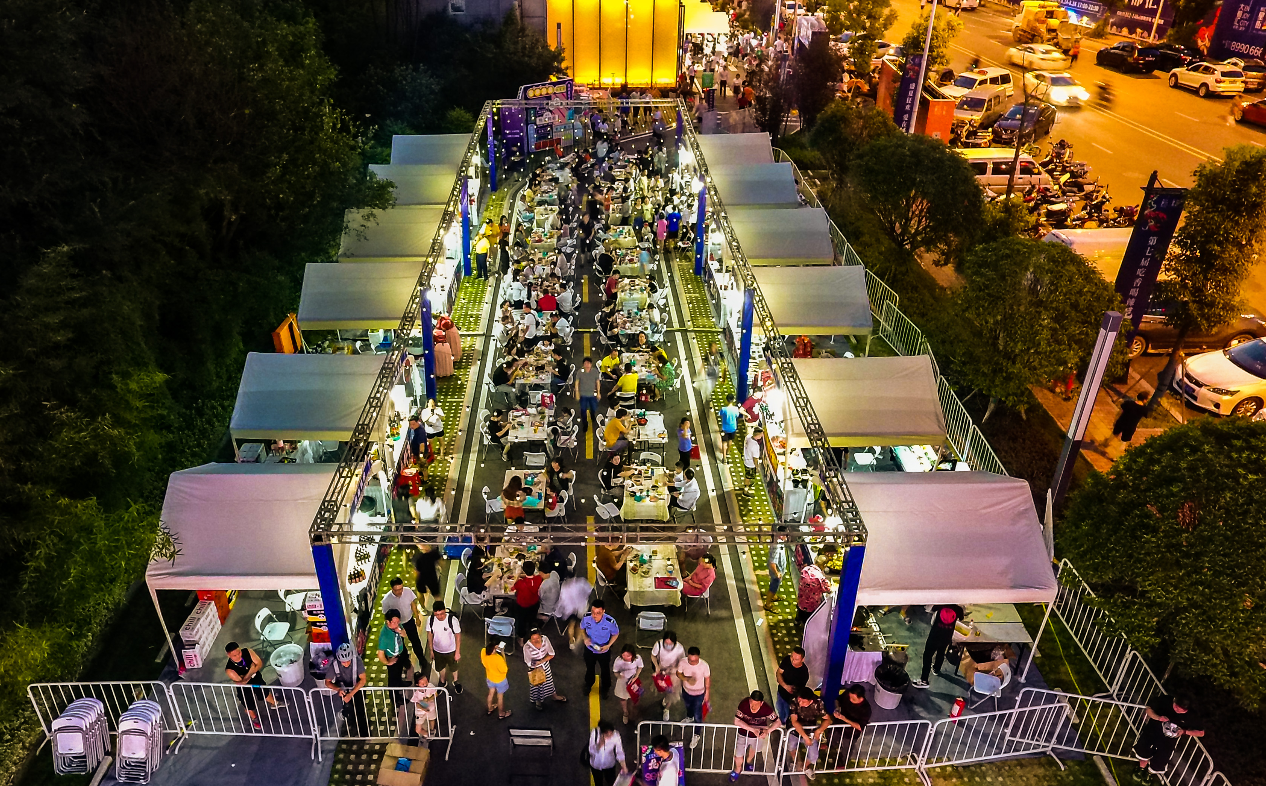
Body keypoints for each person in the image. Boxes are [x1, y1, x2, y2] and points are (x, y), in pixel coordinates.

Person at [1133, 694, 1203, 781]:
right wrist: (1158, 718)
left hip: (1168, 742)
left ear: (1186, 709)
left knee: (1161, 759)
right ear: (1174, 701)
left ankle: (1149, 774)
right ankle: (1141, 768)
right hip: (1152, 731)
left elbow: (1201, 732)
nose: (1176, 710)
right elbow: (1148, 709)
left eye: (1180, 710)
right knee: (1143, 749)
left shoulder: (1192, 716)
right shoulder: (1165, 700)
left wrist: (1184, 732)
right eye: (1175, 706)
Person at [224, 642, 284, 730]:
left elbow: (259, 663)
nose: (238, 656)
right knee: (248, 704)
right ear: (228, 655)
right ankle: (254, 718)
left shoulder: (248, 651)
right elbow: (242, 683)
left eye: (239, 652)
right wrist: (252, 669)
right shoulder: (229, 669)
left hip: (256, 679)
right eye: (235, 655)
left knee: (265, 692)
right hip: (244, 688)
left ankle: (274, 703)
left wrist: (246, 676)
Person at [730, 689, 780, 781]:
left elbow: (778, 721)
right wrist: (753, 730)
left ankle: (748, 762)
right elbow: (736, 721)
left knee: (753, 750)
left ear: (761, 703)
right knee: (738, 754)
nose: (753, 707)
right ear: (749, 700)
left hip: (758, 736)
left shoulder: (766, 709)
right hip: (743, 733)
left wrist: (768, 731)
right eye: (751, 703)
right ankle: (737, 769)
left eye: (756, 704)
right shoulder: (744, 704)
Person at [913, 605, 965, 688]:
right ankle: (936, 669)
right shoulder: (959, 609)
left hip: (935, 635)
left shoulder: (941, 604)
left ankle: (924, 680)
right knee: (941, 651)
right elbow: (961, 618)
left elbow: (930, 609)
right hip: (947, 636)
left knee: (927, 655)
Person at [381, 577, 427, 668]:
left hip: (409, 621)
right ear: (392, 589)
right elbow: (386, 616)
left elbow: (412, 604)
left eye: (401, 589)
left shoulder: (407, 591)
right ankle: (406, 662)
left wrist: (417, 618)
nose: (400, 592)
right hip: (397, 626)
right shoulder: (387, 600)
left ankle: (422, 659)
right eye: (397, 590)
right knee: (400, 645)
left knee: (415, 641)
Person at [323, 642, 368, 735]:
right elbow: (327, 682)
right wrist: (338, 689)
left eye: (348, 660)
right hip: (343, 690)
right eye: (343, 661)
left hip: (357, 689)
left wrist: (351, 694)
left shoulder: (357, 661)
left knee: (360, 710)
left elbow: (363, 680)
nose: (346, 663)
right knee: (348, 710)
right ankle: (351, 727)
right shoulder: (334, 665)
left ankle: (364, 732)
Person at [788, 687, 831, 780]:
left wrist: (819, 730)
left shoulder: (818, 703)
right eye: (799, 701)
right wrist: (805, 737)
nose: (800, 703)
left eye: (803, 702)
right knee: (791, 747)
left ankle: (803, 767)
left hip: (811, 731)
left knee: (814, 756)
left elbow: (828, 719)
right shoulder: (794, 701)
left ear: (811, 701)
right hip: (794, 730)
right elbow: (794, 721)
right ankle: (796, 762)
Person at [581, 600, 621, 698]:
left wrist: (609, 645)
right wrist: (585, 638)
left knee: (605, 670)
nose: (594, 615)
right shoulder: (586, 618)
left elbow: (615, 634)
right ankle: (588, 684)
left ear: (603, 611)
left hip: (604, 650)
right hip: (589, 649)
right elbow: (582, 628)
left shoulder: (610, 622)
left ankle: (605, 688)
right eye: (593, 612)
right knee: (589, 668)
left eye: (598, 613)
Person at [523, 628, 567, 709]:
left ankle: (554, 696)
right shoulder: (527, 647)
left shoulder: (545, 640)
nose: (536, 640)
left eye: (538, 638)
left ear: (541, 636)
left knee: (549, 681)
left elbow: (551, 653)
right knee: (537, 685)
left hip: (545, 665)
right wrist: (537, 666)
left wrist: (542, 661)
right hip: (535, 668)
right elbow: (528, 661)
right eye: (533, 639)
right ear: (530, 639)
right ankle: (538, 701)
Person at [677, 646, 712, 748]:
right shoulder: (682, 662)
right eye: (690, 660)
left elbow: (707, 679)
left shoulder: (704, 666)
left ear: (698, 657)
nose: (692, 662)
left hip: (699, 694)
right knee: (688, 707)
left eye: (695, 660)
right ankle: (689, 717)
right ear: (687, 656)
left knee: (698, 716)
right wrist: (686, 678)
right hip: (686, 691)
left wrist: (707, 693)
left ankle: (697, 734)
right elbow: (679, 673)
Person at [426, 601, 463, 694]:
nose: (439, 616)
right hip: (437, 650)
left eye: (441, 613)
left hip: (451, 650)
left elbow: (457, 636)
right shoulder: (430, 620)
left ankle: (455, 681)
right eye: (437, 615)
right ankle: (443, 681)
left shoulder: (452, 620)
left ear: (445, 610)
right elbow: (429, 635)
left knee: (454, 667)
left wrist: (457, 652)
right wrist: (431, 650)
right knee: (440, 667)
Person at [651, 630, 687, 719]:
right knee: (661, 687)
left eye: (670, 644)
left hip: (673, 673)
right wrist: (656, 666)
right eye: (666, 643)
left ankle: (667, 708)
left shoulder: (679, 649)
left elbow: (682, 662)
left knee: (671, 691)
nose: (667, 646)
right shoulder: (658, 644)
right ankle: (665, 699)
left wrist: (674, 670)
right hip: (661, 670)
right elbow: (653, 655)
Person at [377, 610, 413, 694]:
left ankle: (400, 683)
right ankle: (395, 697)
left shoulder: (397, 626)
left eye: (398, 622)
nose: (397, 624)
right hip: (392, 658)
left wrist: (400, 631)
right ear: (388, 622)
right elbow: (380, 653)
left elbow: (404, 634)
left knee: (399, 673)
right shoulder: (385, 636)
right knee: (393, 679)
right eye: (394, 622)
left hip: (400, 653)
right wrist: (388, 662)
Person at [586, 720, 629, 786]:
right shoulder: (595, 733)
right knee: (598, 783)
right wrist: (599, 745)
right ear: (603, 733)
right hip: (596, 765)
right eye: (608, 734)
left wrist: (624, 766)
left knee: (611, 782)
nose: (610, 736)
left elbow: (619, 751)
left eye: (611, 733)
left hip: (609, 765)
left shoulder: (616, 735)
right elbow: (591, 751)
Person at [511, 561, 544, 643]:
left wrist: (518, 576)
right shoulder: (538, 579)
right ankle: (531, 635)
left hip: (522, 605)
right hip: (534, 604)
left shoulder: (521, 583)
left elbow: (513, 588)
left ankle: (521, 639)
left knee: (521, 621)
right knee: (532, 619)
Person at [775, 646, 810, 724]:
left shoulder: (803, 673)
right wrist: (785, 686)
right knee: (780, 710)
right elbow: (779, 672)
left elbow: (799, 692)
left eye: (796, 659)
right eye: (792, 657)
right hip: (781, 693)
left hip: (791, 701)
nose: (793, 661)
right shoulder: (787, 660)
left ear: (802, 659)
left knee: (787, 716)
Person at [612, 644, 645, 725]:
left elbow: (640, 667)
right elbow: (615, 671)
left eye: (628, 656)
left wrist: (636, 676)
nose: (625, 657)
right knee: (623, 698)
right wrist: (619, 676)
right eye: (624, 655)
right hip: (623, 682)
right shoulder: (618, 661)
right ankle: (625, 712)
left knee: (635, 696)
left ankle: (634, 710)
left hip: (633, 680)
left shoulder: (637, 658)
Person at [481, 641, 512, 719]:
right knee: (500, 697)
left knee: (491, 693)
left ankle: (490, 708)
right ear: (493, 650)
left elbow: (485, 649)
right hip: (500, 680)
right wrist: (502, 653)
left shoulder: (484, 653)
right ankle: (501, 713)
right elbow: (505, 669)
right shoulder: (498, 658)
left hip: (490, 678)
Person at [575, 357, 603, 435]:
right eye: (585, 363)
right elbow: (577, 383)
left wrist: (598, 392)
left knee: (593, 408)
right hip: (583, 395)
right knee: (583, 410)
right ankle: (585, 424)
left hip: (592, 395)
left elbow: (597, 382)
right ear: (583, 364)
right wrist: (577, 393)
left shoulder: (595, 371)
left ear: (591, 364)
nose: (587, 365)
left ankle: (592, 414)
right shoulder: (580, 372)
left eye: (588, 363)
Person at [409, 672, 439, 740]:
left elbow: (435, 694)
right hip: (420, 712)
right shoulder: (415, 692)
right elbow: (416, 703)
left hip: (431, 707)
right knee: (418, 730)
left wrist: (428, 699)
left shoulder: (430, 686)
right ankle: (426, 734)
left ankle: (432, 731)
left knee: (432, 719)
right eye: (422, 684)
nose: (425, 684)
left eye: (426, 682)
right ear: (417, 684)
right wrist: (423, 709)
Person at [767, 527, 787, 606]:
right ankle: (767, 604)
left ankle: (773, 596)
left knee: (774, 585)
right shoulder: (777, 546)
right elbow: (772, 562)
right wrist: (777, 573)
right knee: (773, 587)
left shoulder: (779, 542)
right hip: (776, 572)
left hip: (778, 570)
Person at [719, 394, 742, 462]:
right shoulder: (735, 409)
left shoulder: (724, 409)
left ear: (726, 400)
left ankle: (724, 457)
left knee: (724, 442)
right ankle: (728, 451)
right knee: (730, 440)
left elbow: (720, 414)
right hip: (733, 427)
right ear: (733, 400)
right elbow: (737, 415)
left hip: (725, 428)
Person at [742, 426, 764, 496]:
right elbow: (755, 458)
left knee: (748, 475)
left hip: (746, 459)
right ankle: (745, 490)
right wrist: (757, 467)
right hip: (750, 464)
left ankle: (747, 485)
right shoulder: (755, 446)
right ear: (758, 435)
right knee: (748, 476)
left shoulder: (748, 437)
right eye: (761, 434)